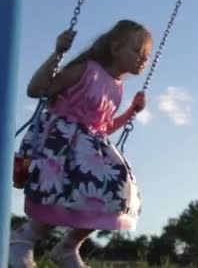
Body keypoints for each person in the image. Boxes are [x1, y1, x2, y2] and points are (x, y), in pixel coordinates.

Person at [9, 20, 153, 267]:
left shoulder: (117, 89)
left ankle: (67, 247)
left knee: (119, 191)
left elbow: (104, 127)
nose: (143, 59)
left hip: (90, 147)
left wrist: (131, 112)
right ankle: (22, 239)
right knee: (58, 191)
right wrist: (58, 53)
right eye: (137, 51)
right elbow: (36, 89)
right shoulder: (87, 69)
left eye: (146, 55)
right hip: (61, 142)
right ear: (116, 48)